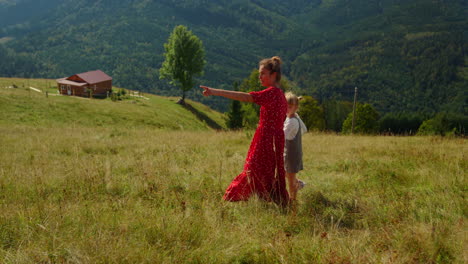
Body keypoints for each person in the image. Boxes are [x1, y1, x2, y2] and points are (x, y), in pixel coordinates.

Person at [200, 56, 289, 206]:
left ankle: (234, 198)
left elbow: (245, 97)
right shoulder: (280, 94)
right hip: (276, 139)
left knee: (252, 168)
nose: (259, 77)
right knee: (266, 171)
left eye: (262, 73)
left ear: (273, 75)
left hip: (266, 138)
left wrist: (215, 91)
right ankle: (268, 201)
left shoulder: (272, 93)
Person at [283, 92, 307, 201]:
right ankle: (299, 184)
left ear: (296, 107)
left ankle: (293, 202)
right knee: (286, 174)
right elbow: (304, 129)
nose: (287, 109)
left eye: (290, 107)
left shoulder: (292, 121)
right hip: (290, 153)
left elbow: (282, 135)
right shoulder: (294, 118)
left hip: (291, 155)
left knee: (290, 180)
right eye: (285, 106)